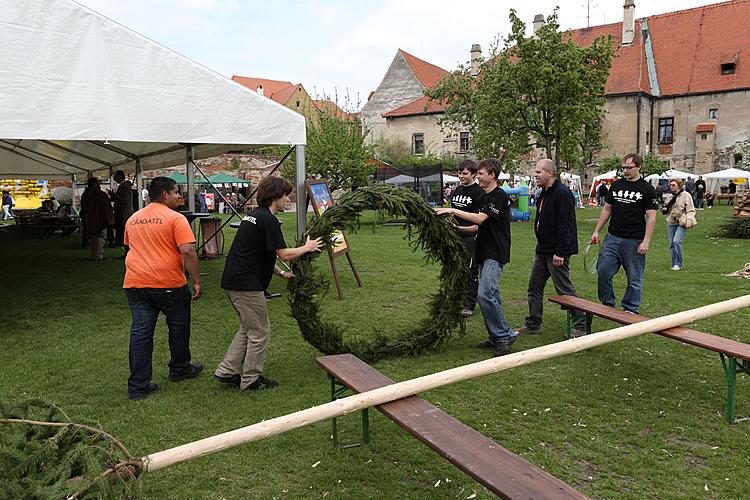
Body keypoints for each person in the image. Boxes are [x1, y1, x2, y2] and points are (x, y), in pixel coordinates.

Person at [214, 176, 323, 391]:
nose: (289, 199)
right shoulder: (269, 220)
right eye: (286, 195)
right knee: (260, 332)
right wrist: (307, 247)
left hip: (234, 280)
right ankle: (251, 379)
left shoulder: (253, 216)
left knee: (248, 328)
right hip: (246, 285)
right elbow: (284, 253)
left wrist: (281, 273)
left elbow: (260, 254)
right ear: (275, 197)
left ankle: (227, 372)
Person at [123, 176, 203, 400]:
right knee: (178, 326)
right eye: (177, 192)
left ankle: (138, 386)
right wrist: (196, 280)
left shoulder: (133, 219)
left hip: (135, 282)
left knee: (140, 333)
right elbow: (187, 251)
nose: (179, 196)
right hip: (168, 283)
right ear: (165, 194)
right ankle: (179, 368)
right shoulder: (175, 218)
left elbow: (130, 246)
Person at [435, 158, 516, 357]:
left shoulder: (499, 196)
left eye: (480, 173)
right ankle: (497, 336)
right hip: (482, 251)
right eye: (477, 173)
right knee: (491, 296)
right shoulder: (483, 198)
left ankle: (504, 335)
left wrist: (452, 209)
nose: (478, 177)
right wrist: (457, 228)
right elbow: (477, 226)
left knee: (484, 294)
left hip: (496, 252)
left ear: (492, 175)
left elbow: (480, 218)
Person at [516, 159, 587, 337]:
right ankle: (534, 322)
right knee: (534, 286)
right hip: (542, 250)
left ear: (549, 173)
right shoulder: (544, 192)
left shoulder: (562, 193)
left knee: (564, 289)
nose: (535, 175)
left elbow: (566, 225)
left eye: (538, 172)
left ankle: (581, 325)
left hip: (556, 252)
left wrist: (560, 252)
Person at [591, 153, 658, 314]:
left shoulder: (647, 189)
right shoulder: (616, 186)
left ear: (639, 167)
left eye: (629, 167)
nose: (625, 171)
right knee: (603, 271)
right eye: (623, 168)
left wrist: (646, 241)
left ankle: (631, 308)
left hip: (634, 239)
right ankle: (607, 304)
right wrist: (596, 231)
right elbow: (607, 209)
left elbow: (651, 216)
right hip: (612, 237)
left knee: (634, 278)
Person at [450, 159, 485, 318]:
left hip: (471, 238)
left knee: (471, 271)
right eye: (459, 173)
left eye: (464, 173)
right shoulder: (457, 191)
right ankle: (456, 299)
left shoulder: (479, 193)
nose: (461, 176)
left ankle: (469, 304)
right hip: (455, 236)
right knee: (456, 268)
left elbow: (479, 220)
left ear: (474, 174)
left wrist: (464, 229)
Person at [662, 178, 696, 271]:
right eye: (670, 185)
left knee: (676, 241)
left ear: (679, 185)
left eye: (673, 185)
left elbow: (691, 209)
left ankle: (678, 264)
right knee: (671, 244)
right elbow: (666, 207)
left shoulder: (686, 195)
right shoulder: (669, 196)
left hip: (682, 221)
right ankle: (674, 264)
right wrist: (665, 209)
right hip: (671, 222)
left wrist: (689, 220)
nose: (671, 186)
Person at [79, 177, 114, 261]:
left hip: (91, 217)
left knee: (95, 236)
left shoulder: (87, 194)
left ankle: (97, 254)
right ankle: (97, 255)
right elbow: (105, 206)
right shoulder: (98, 194)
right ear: (95, 184)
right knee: (99, 236)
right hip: (98, 218)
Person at [109, 170, 134, 249]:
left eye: (115, 176)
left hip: (124, 214)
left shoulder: (125, 186)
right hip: (122, 213)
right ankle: (124, 248)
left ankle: (126, 248)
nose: (114, 178)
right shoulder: (123, 186)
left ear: (120, 176)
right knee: (122, 231)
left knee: (123, 232)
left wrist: (114, 196)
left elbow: (125, 200)